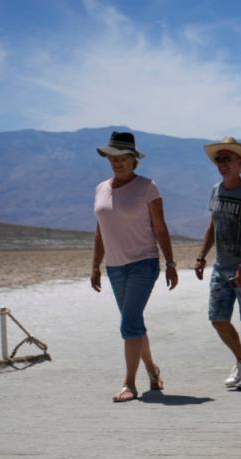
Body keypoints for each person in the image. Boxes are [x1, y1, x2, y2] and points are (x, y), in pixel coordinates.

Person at [90, 131, 179, 402]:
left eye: (123, 158)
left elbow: (160, 228)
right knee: (135, 324)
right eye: (112, 157)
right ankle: (152, 369)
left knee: (128, 323)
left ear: (133, 160)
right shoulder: (101, 188)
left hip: (143, 262)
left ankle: (129, 384)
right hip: (115, 266)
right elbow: (100, 230)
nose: (117, 162)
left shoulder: (147, 187)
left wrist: (171, 263)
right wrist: (95, 265)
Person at [194, 136, 241, 391]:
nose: (222, 164)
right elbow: (213, 224)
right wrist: (202, 256)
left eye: (227, 159)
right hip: (221, 267)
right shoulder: (216, 190)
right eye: (219, 159)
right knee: (218, 319)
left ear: (239, 162)